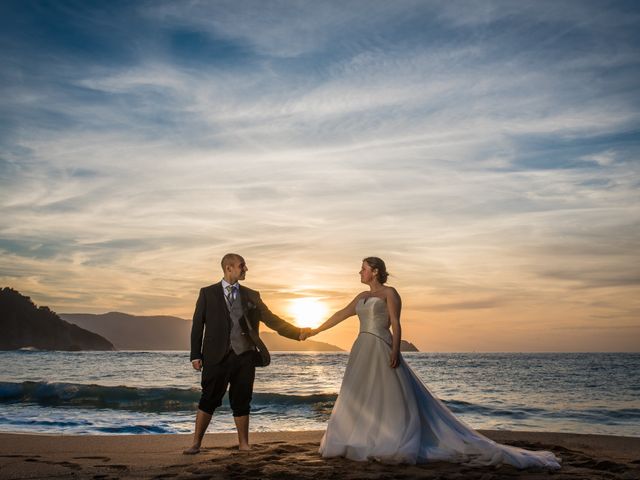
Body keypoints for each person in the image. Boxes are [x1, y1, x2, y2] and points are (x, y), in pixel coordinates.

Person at [302, 257, 561, 468]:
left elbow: (396, 323)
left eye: (363, 269)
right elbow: (339, 314)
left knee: (388, 396)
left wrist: (395, 351)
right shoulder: (360, 296)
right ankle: (361, 437)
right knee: (359, 395)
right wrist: (313, 331)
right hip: (361, 349)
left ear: (375, 271)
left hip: (381, 346)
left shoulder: (390, 293)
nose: (359, 272)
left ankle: (391, 439)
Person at [184, 253, 311, 454]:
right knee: (208, 398)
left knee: (242, 400)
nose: (246, 269)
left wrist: (298, 333)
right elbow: (198, 325)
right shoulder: (207, 293)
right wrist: (195, 354)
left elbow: (272, 320)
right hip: (216, 356)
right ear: (229, 268)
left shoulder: (252, 295)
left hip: (245, 356)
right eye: (242, 266)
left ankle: (244, 444)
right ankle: (196, 443)